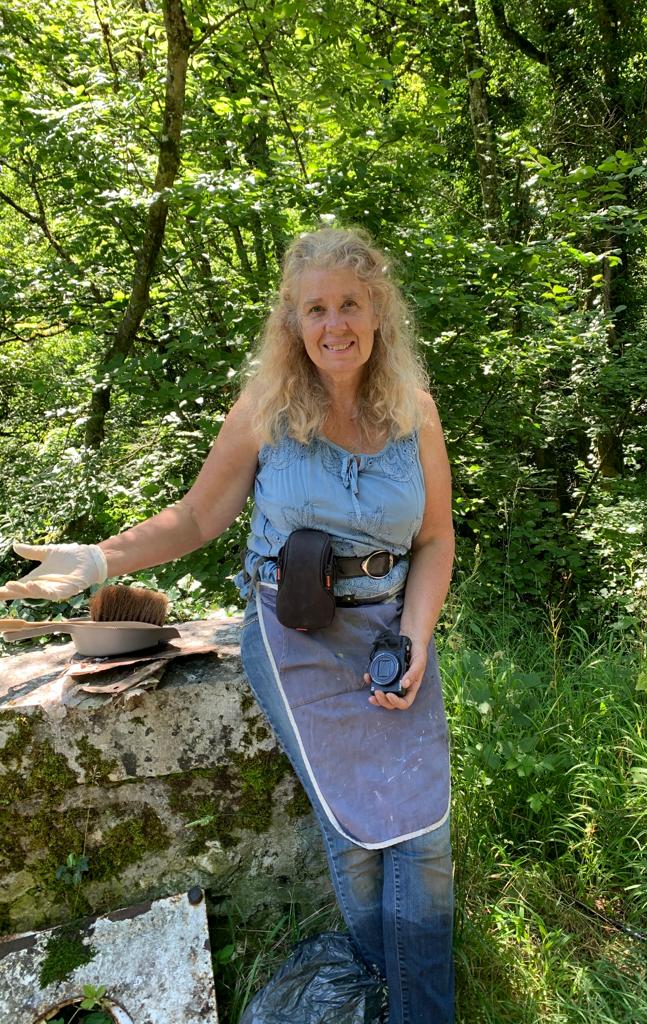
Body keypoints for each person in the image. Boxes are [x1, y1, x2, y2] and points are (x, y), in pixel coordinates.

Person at [0, 226, 455, 1023]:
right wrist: (98, 559)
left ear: (378, 310)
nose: (334, 324)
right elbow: (196, 517)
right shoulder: (266, 411)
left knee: (425, 833)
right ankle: (388, 984)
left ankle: (419, 1007)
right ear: (292, 321)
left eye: (350, 304)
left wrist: (415, 636)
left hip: (391, 630)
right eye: (316, 308)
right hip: (294, 637)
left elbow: (435, 539)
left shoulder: (415, 412)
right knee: (356, 833)